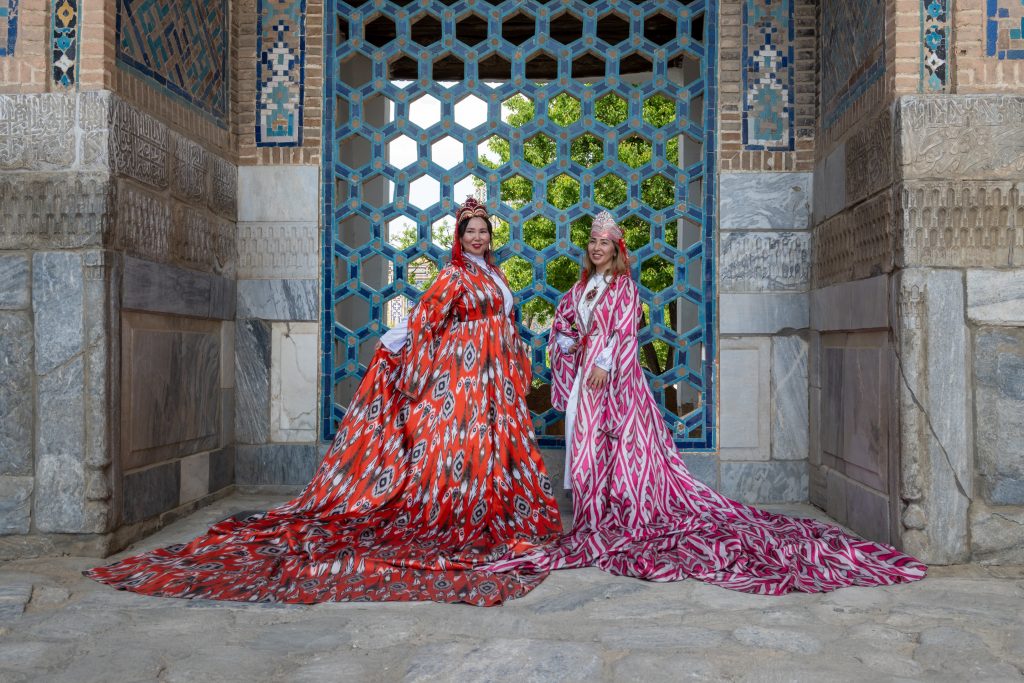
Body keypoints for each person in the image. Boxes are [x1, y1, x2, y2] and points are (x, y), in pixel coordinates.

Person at [86, 197, 562, 606]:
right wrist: (392, 348)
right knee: (466, 448)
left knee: (498, 450)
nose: (477, 237)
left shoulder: (495, 276)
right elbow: (423, 320)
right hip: (465, 378)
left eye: (483, 230)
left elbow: (507, 322)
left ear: (491, 236)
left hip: (494, 377)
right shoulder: (453, 277)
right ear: (459, 236)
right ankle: (456, 514)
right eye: (470, 231)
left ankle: (500, 512)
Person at [486, 211, 927, 594]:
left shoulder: (622, 286)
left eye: (604, 242)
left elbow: (623, 331)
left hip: (615, 381)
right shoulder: (583, 289)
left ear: (616, 248)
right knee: (586, 444)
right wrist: (568, 345)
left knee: (617, 446)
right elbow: (565, 323)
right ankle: (591, 515)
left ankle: (620, 509)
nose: (597, 248)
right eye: (592, 242)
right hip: (588, 381)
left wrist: (602, 361)